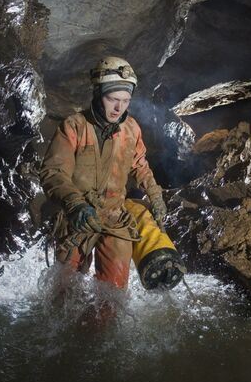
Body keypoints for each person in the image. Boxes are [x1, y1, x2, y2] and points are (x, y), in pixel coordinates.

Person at [40, 56, 182, 290]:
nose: (119, 107)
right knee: (64, 293)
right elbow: (53, 172)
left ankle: (102, 325)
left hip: (116, 218)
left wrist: (155, 196)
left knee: (112, 296)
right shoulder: (74, 126)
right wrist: (75, 204)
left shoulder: (131, 129)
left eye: (125, 101)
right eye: (113, 99)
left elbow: (139, 166)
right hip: (78, 219)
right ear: (98, 94)